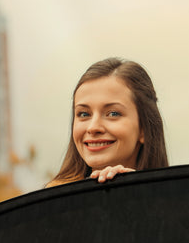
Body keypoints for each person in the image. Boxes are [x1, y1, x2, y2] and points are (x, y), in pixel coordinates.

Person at [46, 58, 168, 186]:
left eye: (113, 114)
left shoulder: (175, 199)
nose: (93, 128)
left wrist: (137, 190)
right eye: (84, 114)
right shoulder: (51, 201)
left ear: (143, 128)